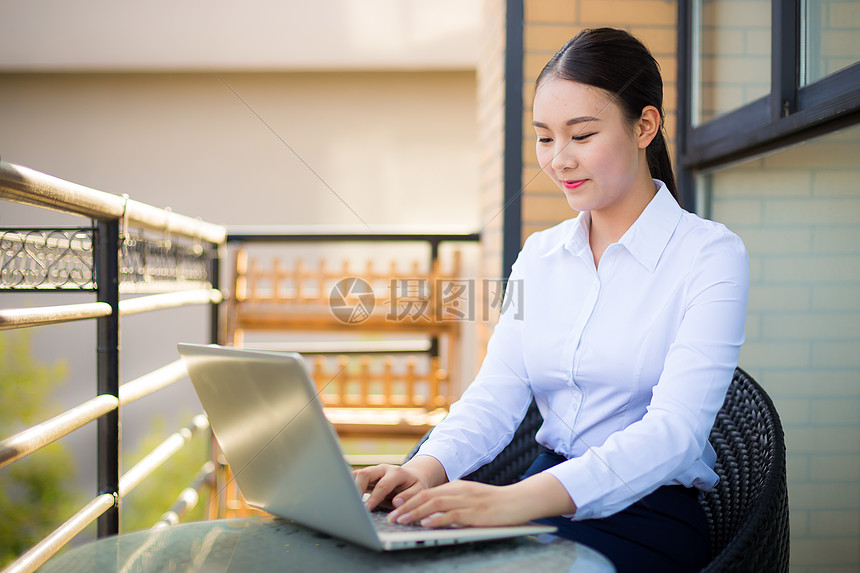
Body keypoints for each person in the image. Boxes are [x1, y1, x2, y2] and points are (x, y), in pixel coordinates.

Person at [354, 27, 749, 573]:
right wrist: (425, 469)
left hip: (646, 514)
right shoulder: (541, 256)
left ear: (645, 125)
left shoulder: (709, 254)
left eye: (581, 135)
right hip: (537, 494)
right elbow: (496, 395)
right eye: (544, 137)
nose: (559, 159)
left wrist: (513, 501)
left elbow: (675, 436)